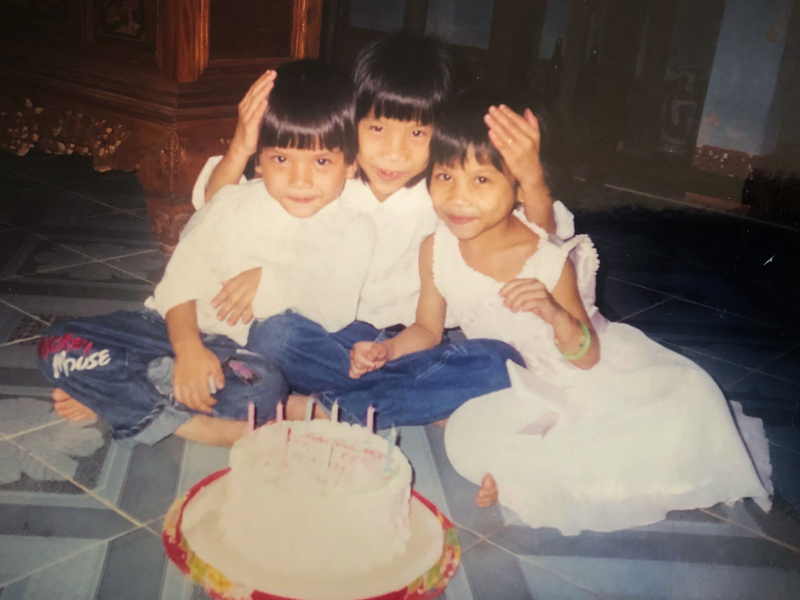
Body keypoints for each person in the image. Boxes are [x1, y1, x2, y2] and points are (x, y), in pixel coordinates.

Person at [353, 87, 772, 534]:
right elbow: (427, 329)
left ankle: (525, 471)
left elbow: (587, 357)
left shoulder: (545, 256)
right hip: (506, 382)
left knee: (677, 403)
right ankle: (514, 466)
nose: (458, 198)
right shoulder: (436, 248)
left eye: (481, 181)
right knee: (465, 436)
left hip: (578, 374)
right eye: (444, 177)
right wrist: (390, 349)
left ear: (517, 188)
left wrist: (554, 314)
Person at [194, 33, 576, 430]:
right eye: (377, 129)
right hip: (323, 338)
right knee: (271, 334)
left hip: (408, 344)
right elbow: (218, 209)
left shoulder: (445, 194)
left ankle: (325, 409)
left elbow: (537, 240)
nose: (395, 153)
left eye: (417, 133)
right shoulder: (326, 176)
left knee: (500, 363)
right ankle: (399, 403)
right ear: (350, 121)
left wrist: (531, 179)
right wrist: (241, 145)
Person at [37, 59, 375, 447]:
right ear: (260, 160)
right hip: (166, 331)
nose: (300, 179)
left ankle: (124, 398)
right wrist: (189, 349)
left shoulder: (354, 227)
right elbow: (180, 278)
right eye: (281, 159)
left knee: (264, 390)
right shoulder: (233, 203)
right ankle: (170, 409)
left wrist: (274, 279)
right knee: (55, 345)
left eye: (321, 162)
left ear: (350, 165)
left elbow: (335, 310)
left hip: (236, 355)